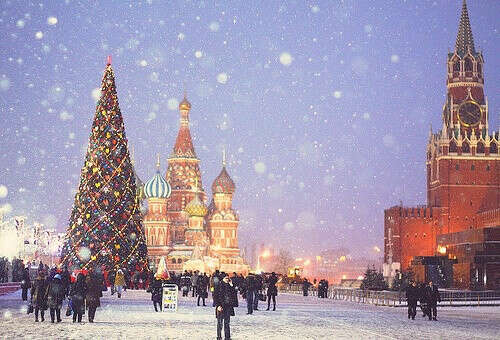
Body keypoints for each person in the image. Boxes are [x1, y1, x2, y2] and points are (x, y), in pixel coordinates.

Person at [214, 273, 238, 340]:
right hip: (221, 306)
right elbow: (215, 296)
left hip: (228, 306)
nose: (227, 279)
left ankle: (227, 337)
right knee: (220, 323)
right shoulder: (218, 285)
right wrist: (218, 305)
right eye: (226, 278)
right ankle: (219, 337)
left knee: (227, 323)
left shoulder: (230, 286)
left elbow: (234, 295)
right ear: (223, 278)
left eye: (228, 278)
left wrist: (231, 285)